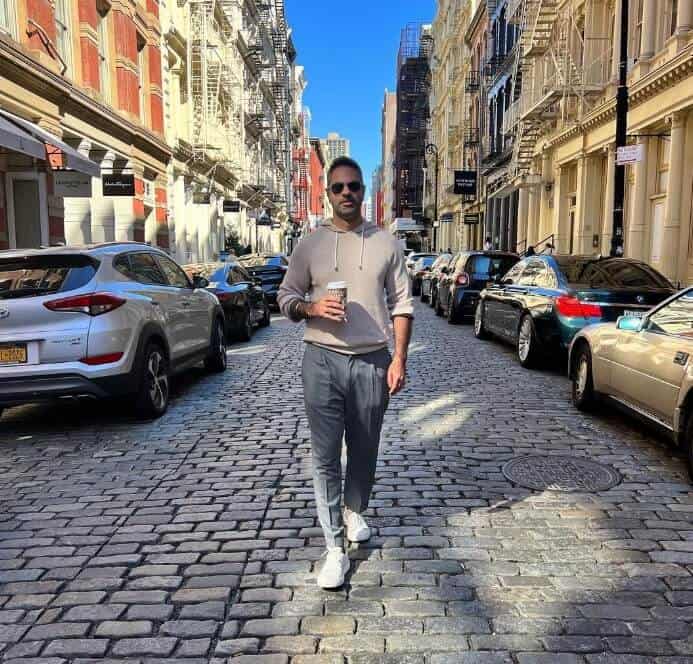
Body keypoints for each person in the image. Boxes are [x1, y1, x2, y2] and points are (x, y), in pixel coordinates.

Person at [278, 156, 414, 589]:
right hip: (320, 358)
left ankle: (355, 510)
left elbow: (403, 305)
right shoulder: (311, 244)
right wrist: (311, 307)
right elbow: (285, 296)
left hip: (372, 359)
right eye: (338, 188)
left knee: (364, 449)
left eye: (353, 186)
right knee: (324, 456)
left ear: (362, 191)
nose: (347, 193)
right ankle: (334, 547)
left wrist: (399, 359)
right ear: (328, 194)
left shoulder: (387, 243)